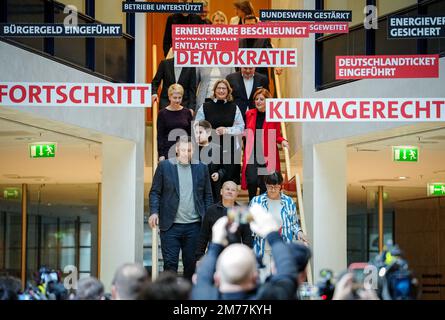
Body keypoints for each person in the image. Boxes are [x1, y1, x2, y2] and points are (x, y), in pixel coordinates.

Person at [191, 205, 298, 300]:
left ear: (216, 278)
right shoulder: (277, 296)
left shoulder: (202, 295)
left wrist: (216, 243)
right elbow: (287, 274)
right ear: (256, 276)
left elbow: (202, 278)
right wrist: (272, 233)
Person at [149, 136, 213, 279]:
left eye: (189, 150)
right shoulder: (164, 166)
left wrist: (209, 220)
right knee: (170, 265)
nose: (186, 153)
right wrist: (154, 212)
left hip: (194, 227)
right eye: (183, 150)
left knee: (191, 266)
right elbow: (155, 192)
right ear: (177, 149)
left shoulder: (202, 168)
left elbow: (208, 196)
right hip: (170, 226)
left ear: (193, 150)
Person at [249, 171, 308, 281]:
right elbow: (251, 224)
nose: (272, 190)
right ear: (265, 185)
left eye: (276, 187)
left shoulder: (288, 202)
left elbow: (293, 223)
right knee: (263, 280)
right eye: (270, 186)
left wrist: (299, 232)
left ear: (280, 186)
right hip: (263, 247)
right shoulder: (256, 201)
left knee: (282, 279)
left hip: (283, 247)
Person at [194, 79, 244, 184]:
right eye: (219, 88)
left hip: (229, 147)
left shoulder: (234, 107)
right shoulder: (205, 106)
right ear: (215, 90)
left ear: (228, 91)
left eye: (224, 88)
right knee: (211, 177)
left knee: (227, 177)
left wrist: (226, 130)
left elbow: (241, 127)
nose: (221, 91)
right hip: (209, 146)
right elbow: (197, 125)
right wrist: (209, 131)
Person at [242, 89, 289, 200]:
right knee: (252, 180)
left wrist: (282, 141)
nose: (258, 101)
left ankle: (263, 208)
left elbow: (277, 134)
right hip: (252, 153)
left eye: (261, 99)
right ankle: (252, 204)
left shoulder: (274, 115)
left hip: (268, 153)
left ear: (267, 101)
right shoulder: (249, 114)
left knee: (265, 184)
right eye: (256, 99)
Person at [195, 181, 253, 261]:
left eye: (233, 190)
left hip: (235, 257)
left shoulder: (243, 212)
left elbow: (247, 239)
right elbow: (203, 236)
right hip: (214, 256)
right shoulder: (211, 210)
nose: (230, 192)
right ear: (221, 191)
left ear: (237, 193)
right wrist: (199, 258)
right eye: (227, 189)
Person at [157, 84, 193, 161]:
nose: (177, 100)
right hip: (168, 151)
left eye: (179, 98)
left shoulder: (187, 112)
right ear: (169, 97)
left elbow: (191, 134)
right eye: (175, 98)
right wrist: (161, 154)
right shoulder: (162, 113)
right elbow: (160, 136)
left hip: (184, 151)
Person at [194, 120, 226, 200]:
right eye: (196, 133)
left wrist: (218, 174)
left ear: (208, 133)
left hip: (212, 189)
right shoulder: (192, 150)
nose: (197, 135)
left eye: (200, 132)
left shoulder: (217, 149)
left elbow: (224, 169)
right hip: (196, 189)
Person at [238, 15, 273, 80]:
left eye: (252, 25)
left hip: (260, 77)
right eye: (247, 25)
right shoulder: (239, 40)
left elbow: (272, 55)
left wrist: (277, 66)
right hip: (242, 77)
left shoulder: (264, 39)